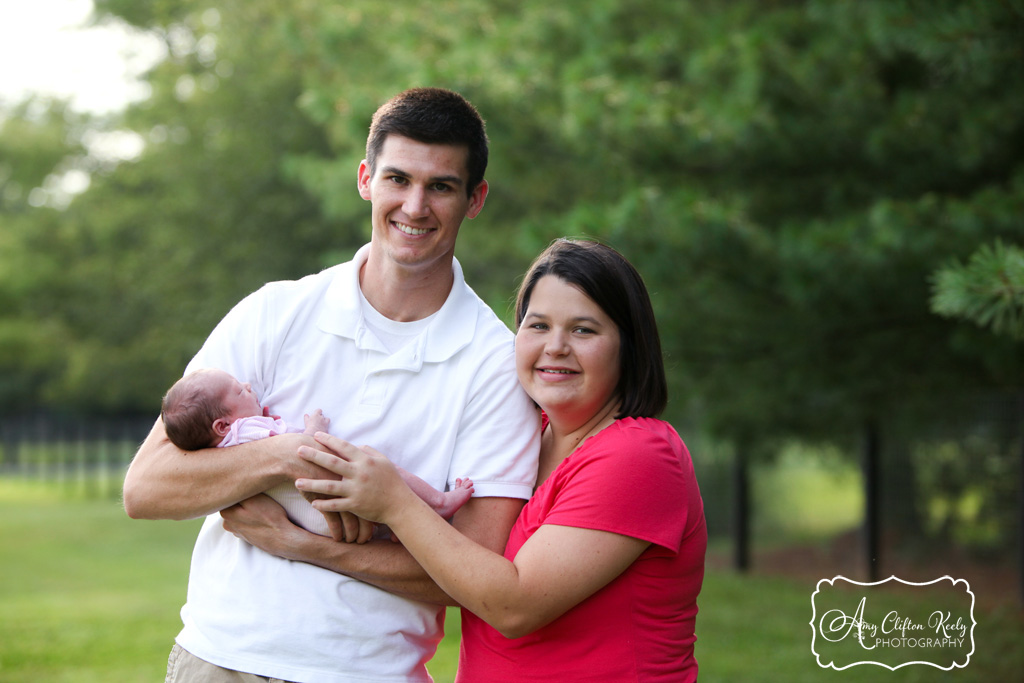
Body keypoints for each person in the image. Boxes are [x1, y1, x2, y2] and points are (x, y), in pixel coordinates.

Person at [123, 87, 540, 683]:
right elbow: (147, 488)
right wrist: (285, 456)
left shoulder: (496, 366)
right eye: (398, 179)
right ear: (366, 178)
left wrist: (306, 544)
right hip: (217, 662)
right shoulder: (276, 311)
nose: (414, 206)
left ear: (475, 200)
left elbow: (476, 573)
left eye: (441, 186)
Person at [287, 239, 707, 682]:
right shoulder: (525, 435)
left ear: (629, 345)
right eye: (538, 325)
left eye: (583, 330)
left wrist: (390, 501)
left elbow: (515, 605)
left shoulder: (638, 455)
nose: (556, 347)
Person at [160, 367, 476, 537]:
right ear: (222, 427)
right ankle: (438, 501)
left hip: (309, 519)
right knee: (374, 462)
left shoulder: (227, 449)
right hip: (321, 510)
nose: (248, 386)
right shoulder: (245, 432)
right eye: (240, 391)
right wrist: (315, 426)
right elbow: (301, 451)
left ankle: (398, 530)